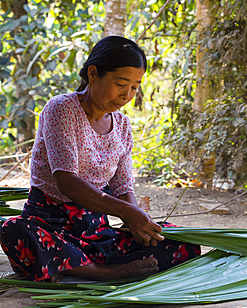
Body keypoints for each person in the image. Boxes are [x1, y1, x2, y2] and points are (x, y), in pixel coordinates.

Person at [0, 36, 200, 282]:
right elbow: (66, 181)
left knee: (179, 240)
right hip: (50, 226)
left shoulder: (123, 126)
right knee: (15, 231)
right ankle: (104, 272)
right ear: (93, 74)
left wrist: (137, 222)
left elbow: (122, 187)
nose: (128, 95)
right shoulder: (61, 109)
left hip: (98, 233)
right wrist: (126, 212)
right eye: (120, 83)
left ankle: (74, 268)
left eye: (135, 87)